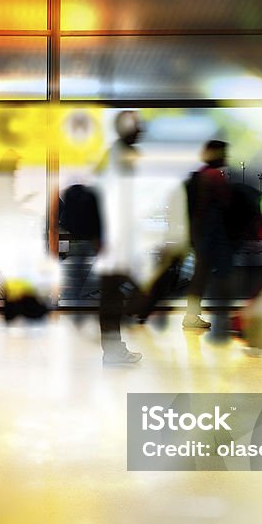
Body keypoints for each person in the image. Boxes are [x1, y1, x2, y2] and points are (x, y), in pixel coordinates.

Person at [95, 111, 145, 364]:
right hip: (114, 239)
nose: (142, 129)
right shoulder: (119, 155)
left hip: (114, 237)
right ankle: (113, 351)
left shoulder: (117, 153)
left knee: (114, 295)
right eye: (137, 125)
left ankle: (114, 349)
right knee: (113, 296)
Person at [182, 140, 232, 332]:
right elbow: (225, 202)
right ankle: (203, 316)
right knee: (214, 275)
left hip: (200, 232)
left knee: (200, 274)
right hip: (210, 233)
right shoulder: (214, 176)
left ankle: (192, 315)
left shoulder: (201, 174)